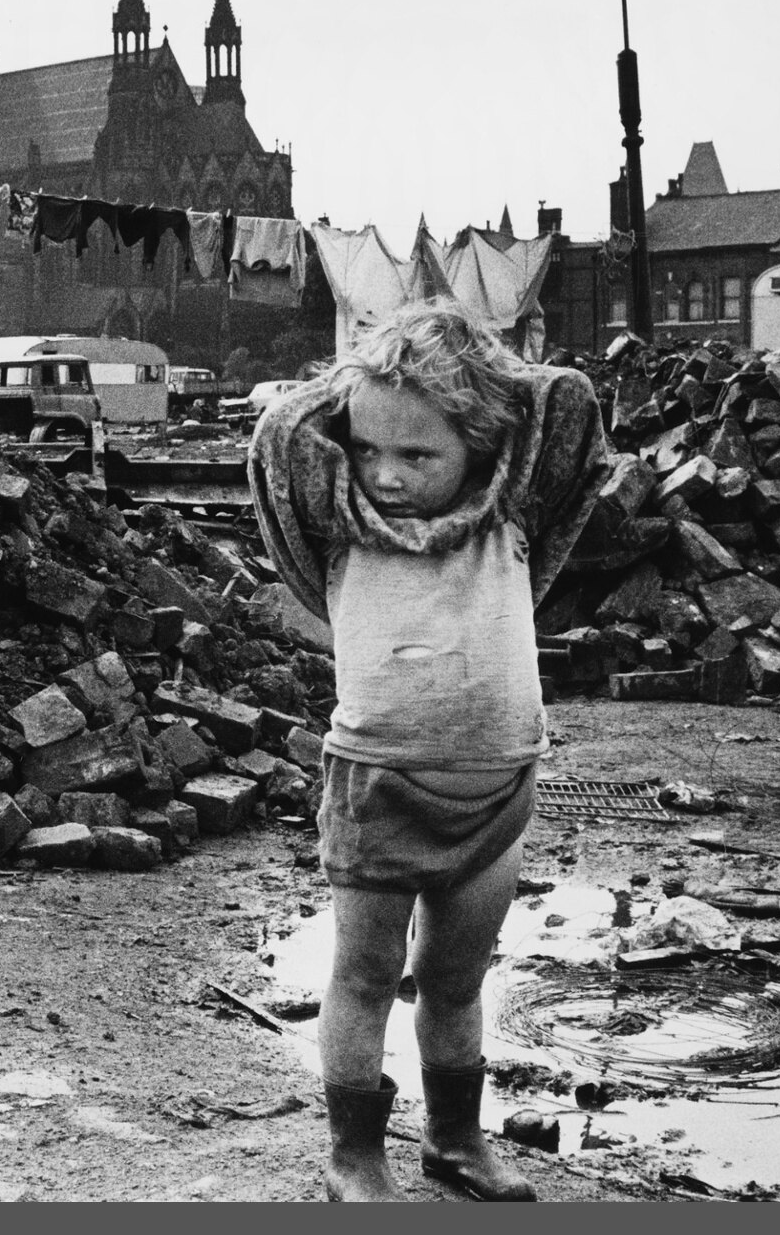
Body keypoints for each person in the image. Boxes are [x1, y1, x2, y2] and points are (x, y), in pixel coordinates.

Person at [248, 301, 608, 1202]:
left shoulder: (511, 513)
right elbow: (278, 431)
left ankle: (454, 1141)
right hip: (380, 784)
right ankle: (353, 1156)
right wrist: (360, 383)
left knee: (455, 977)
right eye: (369, 449)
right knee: (365, 973)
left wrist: (472, 372)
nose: (388, 474)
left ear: (483, 448)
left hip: (497, 792)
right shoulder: (337, 522)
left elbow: (566, 402)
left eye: (419, 455)